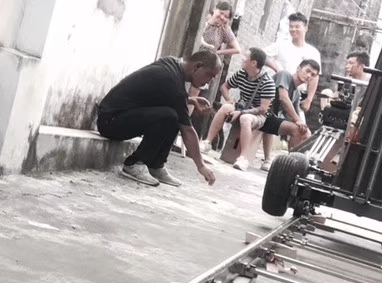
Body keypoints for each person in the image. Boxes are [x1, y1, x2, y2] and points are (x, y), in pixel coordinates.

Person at [96, 50, 220, 187]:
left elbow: (160, 95)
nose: (209, 82)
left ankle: (155, 165)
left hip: (115, 116)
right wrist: (200, 165)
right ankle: (134, 163)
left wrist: (190, 100)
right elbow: (187, 130)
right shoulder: (172, 82)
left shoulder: (172, 64)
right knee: (169, 116)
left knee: (173, 114)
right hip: (111, 121)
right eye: (210, 75)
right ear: (198, 66)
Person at [240, 58, 318, 168]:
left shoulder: (296, 94)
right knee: (298, 129)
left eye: (313, 75)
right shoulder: (284, 75)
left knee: (302, 131)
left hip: (268, 119)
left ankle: (293, 164)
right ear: (298, 68)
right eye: (307, 71)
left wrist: (305, 130)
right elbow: (283, 98)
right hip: (257, 111)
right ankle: (290, 164)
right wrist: (298, 121)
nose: (309, 76)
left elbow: (296, 118)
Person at [264, 13, 321, 159]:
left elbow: (315, 77)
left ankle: (292, 162)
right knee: (277, 117)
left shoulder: (312, 52)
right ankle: (269, 158)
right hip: (280, 88)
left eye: (297, 26)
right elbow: (263, 56)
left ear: (305, 28)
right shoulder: (282, 45)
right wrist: (277, 69)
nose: (293, 30)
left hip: (297, 93)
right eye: (291, 27)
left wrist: (309, 99)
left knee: (304, 131)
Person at [203, 47, 274, 158]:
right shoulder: (241, 73)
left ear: (254, 63)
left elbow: (263, 109)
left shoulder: (267, 82)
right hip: (242, 106)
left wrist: (241, 113)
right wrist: (230, 100)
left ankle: (243, 157)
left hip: (258, 115)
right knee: (226, 107)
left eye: (246, 56)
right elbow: (224, 87)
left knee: (245, 118)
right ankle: (207, 142)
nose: (242, 58)